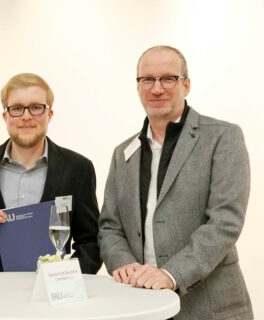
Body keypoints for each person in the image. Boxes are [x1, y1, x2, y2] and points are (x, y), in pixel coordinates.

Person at [98, 45, 253, 319]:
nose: (157, 88)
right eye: (147, 79)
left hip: (209, 308)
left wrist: (172, 274)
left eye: (168, 78)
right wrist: (123, 263)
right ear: (138, 86)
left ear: (187, 85)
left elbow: (225, 221)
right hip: (142, 305)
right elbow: (110, 225)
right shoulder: (123, 153)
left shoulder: (223, 138)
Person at [0, 72, 102, 274]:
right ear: (5, 116)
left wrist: (68, 278)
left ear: (49, 114)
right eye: (17, 108)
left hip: (52, 296)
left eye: (36, 107)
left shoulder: (78, 168)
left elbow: (91, 242)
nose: (26, 116)